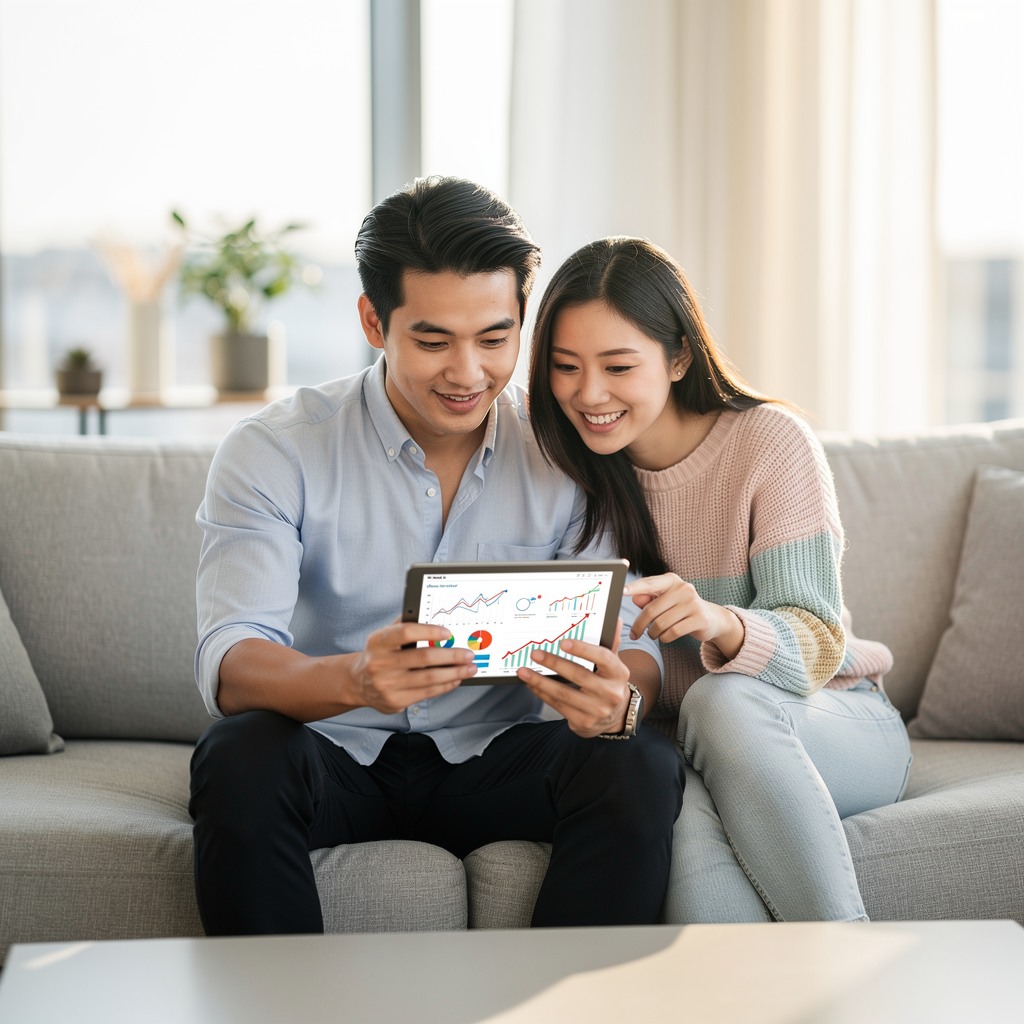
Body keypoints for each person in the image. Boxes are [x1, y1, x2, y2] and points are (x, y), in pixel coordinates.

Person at [189, 179, 684, 936]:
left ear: (524, 320)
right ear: (372, 321)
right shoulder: (274, 451)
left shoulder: (571, 447)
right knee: (238, 755)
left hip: (505, 754)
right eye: (432, 341)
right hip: (337, 751)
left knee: (636, 760)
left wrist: (622, 695)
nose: (467, 374)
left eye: (495, 339)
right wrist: (350, 678)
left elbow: (637, 649)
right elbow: (232, 661)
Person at [527, 236, 912, 923]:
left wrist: (722, 623)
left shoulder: (769, 442)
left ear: (679, 355)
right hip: (689, 744)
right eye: (564, 367)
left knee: (719, 701)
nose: (589, 394)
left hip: (832, 719)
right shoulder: (568, 471)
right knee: (677, 805)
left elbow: (820, 644)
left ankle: (851, 961)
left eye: (618, 365)